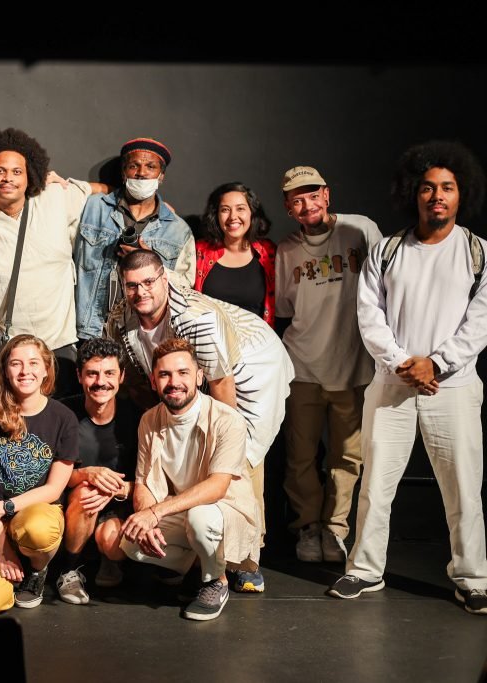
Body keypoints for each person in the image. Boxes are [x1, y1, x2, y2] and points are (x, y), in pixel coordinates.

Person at [330, 141, 487, 615]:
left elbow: (480, 322)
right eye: (427, 188)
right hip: (391, 385)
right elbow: (369, 317)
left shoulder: (478, 253)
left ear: (461, 195)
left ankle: (472, 577)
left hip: (452, 389)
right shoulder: (388, 250)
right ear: (412, 193)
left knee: (463, 488)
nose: (436, 196)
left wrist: (435, 364)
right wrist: (405, 364)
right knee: (376, 484)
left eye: (447, 188)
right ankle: (364, 569)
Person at [106, 249, 293, 593]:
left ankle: (246, 558)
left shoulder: (197, 320)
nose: (140, 292)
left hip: (250, 369)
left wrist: (225, 437)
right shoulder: (121, 319)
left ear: (164, 279)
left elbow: (221, 383)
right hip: (185, 373)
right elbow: (139, 380)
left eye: (149, 282)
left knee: (239, 458)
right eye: (132, 285)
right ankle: (196, 548)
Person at [275, 166, 382, 563]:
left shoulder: (361, 231)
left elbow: (386, 286)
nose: (307, 205)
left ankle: (336, 529)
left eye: (312, 195)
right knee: (300, 455)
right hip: (302, 366)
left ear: (327, 194)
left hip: (353, 367)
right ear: (288, 207)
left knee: (347, 456)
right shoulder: (287, 250)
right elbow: (286, 309)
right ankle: (307, 527)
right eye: (297, 199)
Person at [120, 339, 260, 621]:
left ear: (198, 376)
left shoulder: (227, 420)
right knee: (130, 543)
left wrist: (155, 512)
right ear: (153, 381)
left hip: (223, 510)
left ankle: (216, 580)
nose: (174, 382)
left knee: (200, 518)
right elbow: (144, 482)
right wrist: (146, 519)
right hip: (180, 509)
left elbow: (217, 486)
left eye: (183, 373)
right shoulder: (149, 419)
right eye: (165, 375)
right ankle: (198, 565)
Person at [0, 128, 106, 398]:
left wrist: (151, 203)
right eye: (0, 171)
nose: (8, 178)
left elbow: (102, 191)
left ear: (31, 176)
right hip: (5, 353)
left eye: (17, 172)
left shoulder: (55, 197)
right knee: (3, 434)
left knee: (57, 431)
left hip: (57, 347)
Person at [0, 335, 78, 614]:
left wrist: (7, 506)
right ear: (4, 370)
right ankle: (9, 561)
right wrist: (3, 549)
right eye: (16, 364)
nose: (25, 371)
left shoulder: (64, 419)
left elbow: (53, 489)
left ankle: (37, 570)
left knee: (38, 530)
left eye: (33, 363)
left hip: (35, 511)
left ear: (46, 370)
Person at [75, 136, 195, 339]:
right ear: (124, 173)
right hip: (90, 331)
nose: (141, 173)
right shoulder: (92, 208)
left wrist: (150, 259)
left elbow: (185, 289)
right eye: (134, 166)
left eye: (150, 166)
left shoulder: (177, 230)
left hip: (143, 338)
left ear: (161, 175)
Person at [55, 338, 140, 604]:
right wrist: (87, 475)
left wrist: (116, 489)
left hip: (119, 504)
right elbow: (47, 475)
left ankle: (108, 559)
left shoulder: (137, 418)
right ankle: (68, 569)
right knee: (85, 490)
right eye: (92, 373)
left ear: (121, 376)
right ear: (79, 376)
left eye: (109, 373)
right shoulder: (63, 413)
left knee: (113, 543)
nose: (100, 381)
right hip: (74, 502)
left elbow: (152, 480)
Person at [195, 182, 276, 325]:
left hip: (258, 343)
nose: (233, 216)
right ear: (216, 215)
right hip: (209, 344)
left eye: (240, 209)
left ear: (252, 213)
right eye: (225, 209)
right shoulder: (200, 251)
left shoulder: (269, 252)